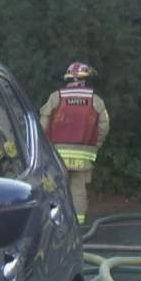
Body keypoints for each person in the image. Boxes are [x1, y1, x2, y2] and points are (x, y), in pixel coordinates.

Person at [39, 62, 110, 225]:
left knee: (55, 187)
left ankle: (55, 222)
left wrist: (45, 146)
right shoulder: (96, 100)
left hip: (56, 154)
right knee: (78, 188)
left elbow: (43, 125)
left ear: (68, 78)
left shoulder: (56, 97)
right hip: (83, 155)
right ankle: (78, 224)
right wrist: (95, 144)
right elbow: (104, 126)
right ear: (86, 79)